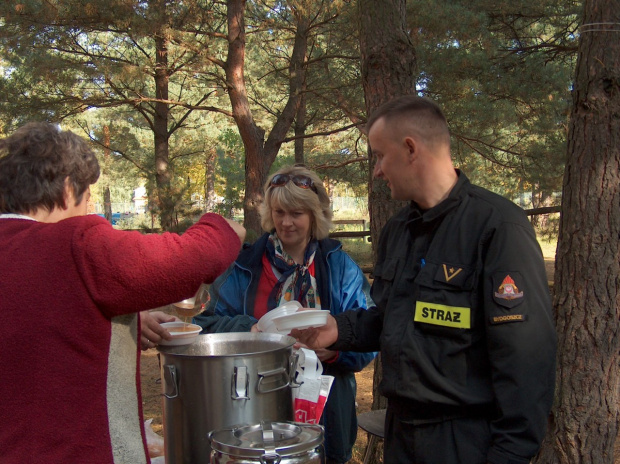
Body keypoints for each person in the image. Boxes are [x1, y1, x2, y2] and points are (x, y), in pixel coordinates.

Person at [292, 96, 557, 464]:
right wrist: (337, 328)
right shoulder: (399, 230)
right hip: (401, 435)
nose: (377, 171)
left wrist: (510, 454)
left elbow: (526, 361)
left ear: (411, 149)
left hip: (464, 441)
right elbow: (393, 319)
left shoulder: (498, 227)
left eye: (380, 156)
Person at [0, 122, 245, 464]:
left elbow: (36, 318)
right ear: (70, 189)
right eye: (87, 198)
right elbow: (193, 259)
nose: (86, 210)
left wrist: (125, 320)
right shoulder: (75, 244)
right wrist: (225, 230)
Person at [194, 164, 377, 464]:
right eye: (279, 212)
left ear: (314, 215)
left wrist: (332, 350)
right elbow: (204, 327)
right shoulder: (243, 268)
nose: (286, 222)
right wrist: (251, 334)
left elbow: (369, 336)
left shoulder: (339, 267)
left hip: (327, 419)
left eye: (296, 213)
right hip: (252, 420)